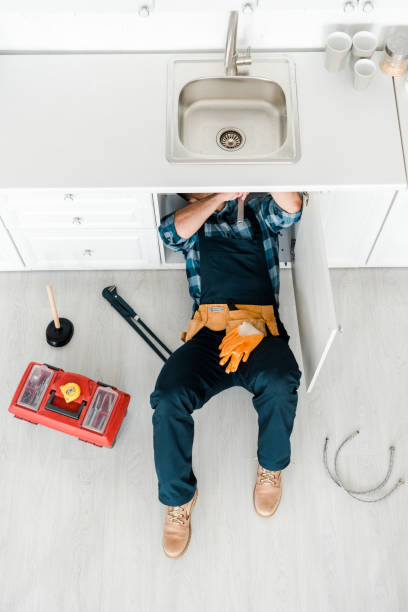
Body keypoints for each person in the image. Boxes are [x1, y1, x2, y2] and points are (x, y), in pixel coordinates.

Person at [150, 192, 303, 558]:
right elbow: (170, 233)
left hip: (258, 331)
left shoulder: (259, 213)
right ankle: (179, 498)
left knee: (282, 381)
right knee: (168, 398)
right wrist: (220, 192)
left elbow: (291, 207)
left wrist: (247, 178)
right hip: (208, 335)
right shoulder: (192, 221)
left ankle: (271, 466)